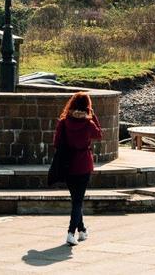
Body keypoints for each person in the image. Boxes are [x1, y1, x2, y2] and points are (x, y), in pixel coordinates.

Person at [53, 91, 102, 246]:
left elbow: (56, 143)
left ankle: (82, 230)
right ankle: (70, 232)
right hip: (83, 165)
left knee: (76, 199)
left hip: (68, 165)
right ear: (87, 107)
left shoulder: (63, 122)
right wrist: (93, 116)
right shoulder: (88, 123)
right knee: (78, 202)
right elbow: (99, 135)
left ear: (72, 105)